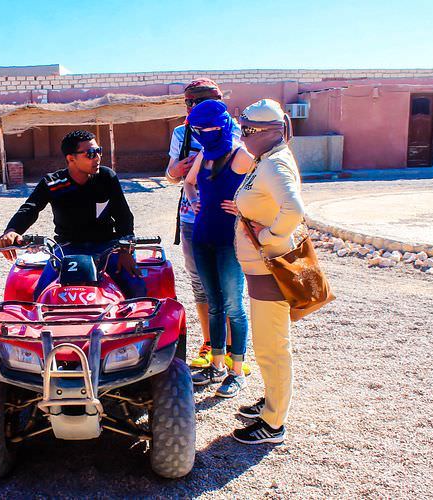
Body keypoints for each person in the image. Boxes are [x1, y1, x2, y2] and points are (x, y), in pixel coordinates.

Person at [221, 99, 304, 444]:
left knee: (272, 346)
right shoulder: (268, 159)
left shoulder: (274, 165)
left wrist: (269, 236)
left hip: (270, 267)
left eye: (246, 131)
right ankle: (272, 402)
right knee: (269, 342)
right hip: (262, 269)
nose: (243, 137)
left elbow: (294, 209)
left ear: (264, 132)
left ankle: (273, 424)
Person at [0, 130, 145, 299]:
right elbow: (30, 208)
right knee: (42, 295)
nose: (97, 157)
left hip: (108, 246)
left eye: (99, 151)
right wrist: (12, 230)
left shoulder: (106, 177)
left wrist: (125, 250)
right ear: (70, 159)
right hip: (68, 247)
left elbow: (123, 216)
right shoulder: (53, 183)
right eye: (90, 153)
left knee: (136, 288)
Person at [182, 99, 255, 398]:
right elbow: (187, 182)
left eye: (210, 128)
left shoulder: (242, 154)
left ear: (224, 124)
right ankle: (216, 366)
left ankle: (236, 372)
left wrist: (243, 207)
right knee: (213, 304)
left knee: (234, 307)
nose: (206, 134)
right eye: (200, 130)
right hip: (202, 237)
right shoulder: (204, 153)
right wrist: (193, 198)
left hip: (229, 240)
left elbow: (267, 188)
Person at [165, 78, 227, 369]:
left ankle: (230, 347)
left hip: (227, 215)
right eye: (188, 102)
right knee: (199, 282)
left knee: (227, 282)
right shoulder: (182, 133)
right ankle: (209, 342)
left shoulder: (232, 129)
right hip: (192, 216)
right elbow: (171, 174)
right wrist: (175, 171)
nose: (192, 107)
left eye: (198, 101)